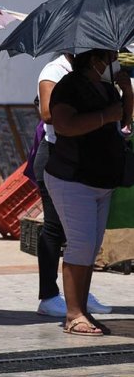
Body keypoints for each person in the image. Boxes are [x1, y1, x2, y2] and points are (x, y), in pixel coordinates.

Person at [44, 49, 133, 336]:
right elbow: (64, 124)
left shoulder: (106, 87)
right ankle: (73, 315)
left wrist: (127, 92)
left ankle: (82, 308)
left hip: (101, 181)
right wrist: (105, 115)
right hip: (72, 178)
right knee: (80, 244)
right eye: (108, 58)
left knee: (91, 247)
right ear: (94, 60)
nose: (112, 63)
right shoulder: (69, 87)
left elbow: (122, 121)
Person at [33, 54, 111, 317]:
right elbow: (47, 113)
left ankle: (78, 293)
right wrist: (96, 114)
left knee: (85, 237)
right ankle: (49, 295)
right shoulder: (55, 71)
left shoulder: (102, 78)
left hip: (85, 160)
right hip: (57, 155)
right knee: (56, 229)